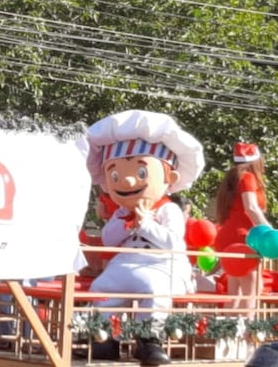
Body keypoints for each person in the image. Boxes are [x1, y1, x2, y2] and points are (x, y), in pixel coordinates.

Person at [85, 109, 204, 365]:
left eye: (140, 173)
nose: (127, 180)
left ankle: (149, 340)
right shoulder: (120, 212)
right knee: (101, 289)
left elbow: (174, 242)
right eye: (114, 175)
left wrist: (146, 223)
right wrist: (126, 225)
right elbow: (108, 239)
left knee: (155, 289)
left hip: (160, 264)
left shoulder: (167, 208)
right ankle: (106, 338)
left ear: (169, 177)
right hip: (125, 263)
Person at [214, 142, 270, 317]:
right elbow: (251, 208)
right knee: (250, 297)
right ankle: (247, 339)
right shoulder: (248, 178)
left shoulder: (232, 179)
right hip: (243, 240)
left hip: (228, 239)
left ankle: (226, 338)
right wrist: (270, 231)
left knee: (234, 296)